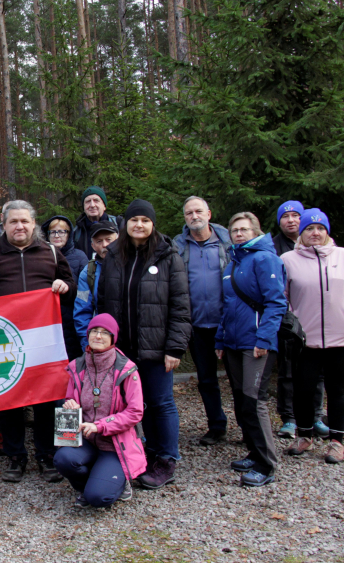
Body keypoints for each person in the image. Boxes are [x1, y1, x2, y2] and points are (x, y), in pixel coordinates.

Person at [0, 200, 75, 483]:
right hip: (4, 342)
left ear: (34, 224)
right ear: (4, 224)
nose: (20, 226)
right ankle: (15, 456)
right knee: (10, 400)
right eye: (14, 221)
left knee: (47, 400)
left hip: (43, 342)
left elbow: (71, 287)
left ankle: (46, 456)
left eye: (25, 221)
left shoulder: (51, 252)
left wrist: (64, 286)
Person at [96, 199, 191, 490]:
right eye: (134, 220)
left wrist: (175, 347)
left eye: (145, 220)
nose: (139, 225)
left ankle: (166, 458)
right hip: (123, 350)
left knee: (161, 402)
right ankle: (145, 452)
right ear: (125, 224)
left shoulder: (168, 257)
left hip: (156, 347)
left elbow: (181, 305)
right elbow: (103, 302)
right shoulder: (113, 256)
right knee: (134, 404)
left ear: (153, 224)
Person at [282, 209, 344, 464]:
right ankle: (305, 435)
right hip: (305, 339)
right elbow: (282, 296)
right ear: (302, 232)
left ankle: (336, 441)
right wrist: (291, 323)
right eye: (309, 229)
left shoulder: (343, 256)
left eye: (321, 229)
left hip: (342, 336)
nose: (315, 233)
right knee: (303, 389)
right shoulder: (289, 259)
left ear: (327, 232)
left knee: (337, 389)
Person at [213, 213, 286, 487]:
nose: (239, 233)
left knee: (255, 402)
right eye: (235, 230)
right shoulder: (234, 262)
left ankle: (267, 465)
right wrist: (220, 340)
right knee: (242, 401)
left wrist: (264, 339)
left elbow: (276, 302)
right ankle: (254, 453)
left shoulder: (266, 259)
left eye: (244, 229)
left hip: (255, 343)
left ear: (256, 231)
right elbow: (227, 304)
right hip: (232, 342)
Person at [54, 314, 146, 508]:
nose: (98, 336)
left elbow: (135, 412)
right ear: (88, 335)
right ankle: (88, 485)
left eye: (105, 333)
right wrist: (71, 404)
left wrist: (100, 426)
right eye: (94, 331)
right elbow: (70, 397)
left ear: (113, 338)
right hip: (86, 440)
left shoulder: (127, 370)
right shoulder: (76, 367)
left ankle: (116, 483)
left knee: (98, 498)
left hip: (115, 444)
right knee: (63, 459)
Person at [172, 197, 232, 447]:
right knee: (207, 379)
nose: (194, 216)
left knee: (238, 380)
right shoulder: (178, 247)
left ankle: (250, 428)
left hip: (228, 323)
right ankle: (216, 426)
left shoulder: (228, 244)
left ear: (209, 213)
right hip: (196, 326)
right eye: (189, 213)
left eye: (198, 211)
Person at [270, 200, 327, 439]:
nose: (291, 220)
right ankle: (289, 418)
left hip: (317, 318)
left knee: (318, 371)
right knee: (288, 370)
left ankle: (316, 415)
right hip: (288, 319)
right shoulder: (274, 248)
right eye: (286, 216)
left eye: (295, 215)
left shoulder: (322, 247)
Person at [41, 215, 89, 360]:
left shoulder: (80, 257)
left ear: (69, 234)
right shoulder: (40, 256)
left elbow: (85, 291)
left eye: (62, 231)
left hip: (72, 317)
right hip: (46, 318)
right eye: (53, 232)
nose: (57, 235)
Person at [73, 221, 119, 351]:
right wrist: (87, 345)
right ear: (93, 245)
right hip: (104, 343)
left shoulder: (132, 265)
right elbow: (82, 311)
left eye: (109, 239)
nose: (105, 245)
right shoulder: (88, 273)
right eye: (99, 241)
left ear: (118, 239)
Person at [70, 186, 124, 259]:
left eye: (96, 200)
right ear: (84, 208)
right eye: (88, 201)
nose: (92, 205)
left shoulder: (119, 224)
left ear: (104, 206)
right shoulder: (76, 232)